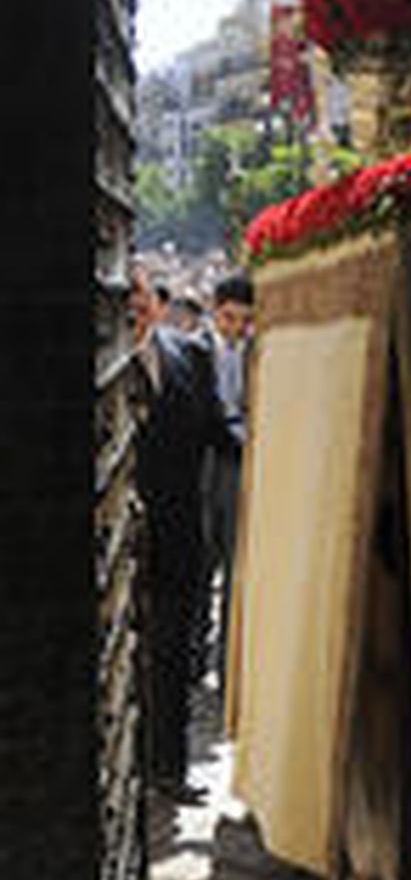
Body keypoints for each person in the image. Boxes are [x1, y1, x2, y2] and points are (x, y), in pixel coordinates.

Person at [131, 264, 232, 800]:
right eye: (122, 296)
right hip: (112, 545)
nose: (133, 305)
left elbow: (218, 429)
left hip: (177, 537)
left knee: (170, 657)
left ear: (154, 300)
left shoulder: (190, 354)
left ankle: (168, 769)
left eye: (139, 294)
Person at [199, 271, 253, 690]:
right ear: (214, 311)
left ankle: (229, 667)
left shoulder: (256, 352)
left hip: (239, 465)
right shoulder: (197, 351)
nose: (236, 328)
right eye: (229, 318)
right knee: (201, 561)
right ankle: (195, 662)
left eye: (243, 320)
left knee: (236, 564)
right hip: (204, 463)